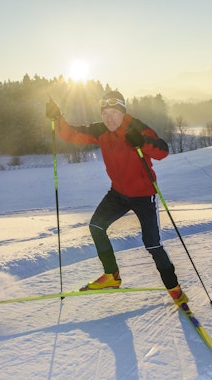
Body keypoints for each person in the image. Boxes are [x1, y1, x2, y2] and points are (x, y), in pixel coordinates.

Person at [45, 90, 188, 306]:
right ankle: (112, 276)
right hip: (119, 193)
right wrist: (57, 117)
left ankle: (174, 288)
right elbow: (71, 134)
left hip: (144, 195)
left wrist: (142, 141)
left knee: (152, 244)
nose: (108, 118)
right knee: (96, 226)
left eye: (113, 112)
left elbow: (162, 151)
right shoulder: (101, 129)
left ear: (122, 112)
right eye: (105, 113)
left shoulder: (136, 128)